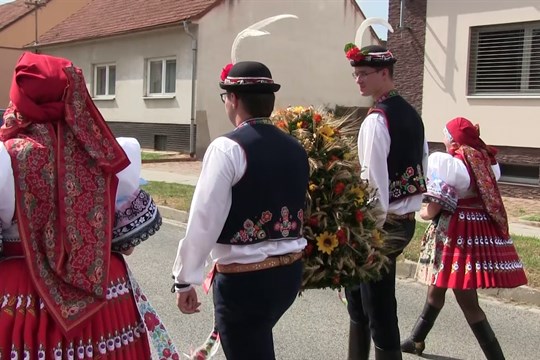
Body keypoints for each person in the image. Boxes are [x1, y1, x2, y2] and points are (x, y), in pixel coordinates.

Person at [0, 52, 164, 358]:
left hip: (23, 295)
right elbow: (126, 244)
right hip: (103, 295)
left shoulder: (4, 157)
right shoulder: (108, 151)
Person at [172, 61, 310, 360]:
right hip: (289, 274)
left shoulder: (227, 148)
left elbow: (204, 219)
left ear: (233, 99)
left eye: (225, 97)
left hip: (246, 280)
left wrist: (185, 278)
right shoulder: (295, 147)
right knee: (257, 345)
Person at [400, 117, 527, 360]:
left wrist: (422, 212)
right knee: (436, 290)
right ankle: (416, 340)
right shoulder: (483, 160)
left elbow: (435, 207)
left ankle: (496, 357)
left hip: (456, 236)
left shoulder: (453, 164)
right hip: (476, 232)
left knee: (467, 302)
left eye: (447, 136)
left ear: (454, 139)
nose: (445, 140)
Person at [343, 44, 428, 359]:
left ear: (383, 73)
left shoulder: (378, 120)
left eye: (364, 74)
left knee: (376, 304)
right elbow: (423, 167)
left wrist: (367, 234)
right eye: (355, 74)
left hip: (382, 225)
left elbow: (373, 185)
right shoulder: (411, 113)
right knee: (361, 296)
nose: (358, 80)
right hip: (404, 222)